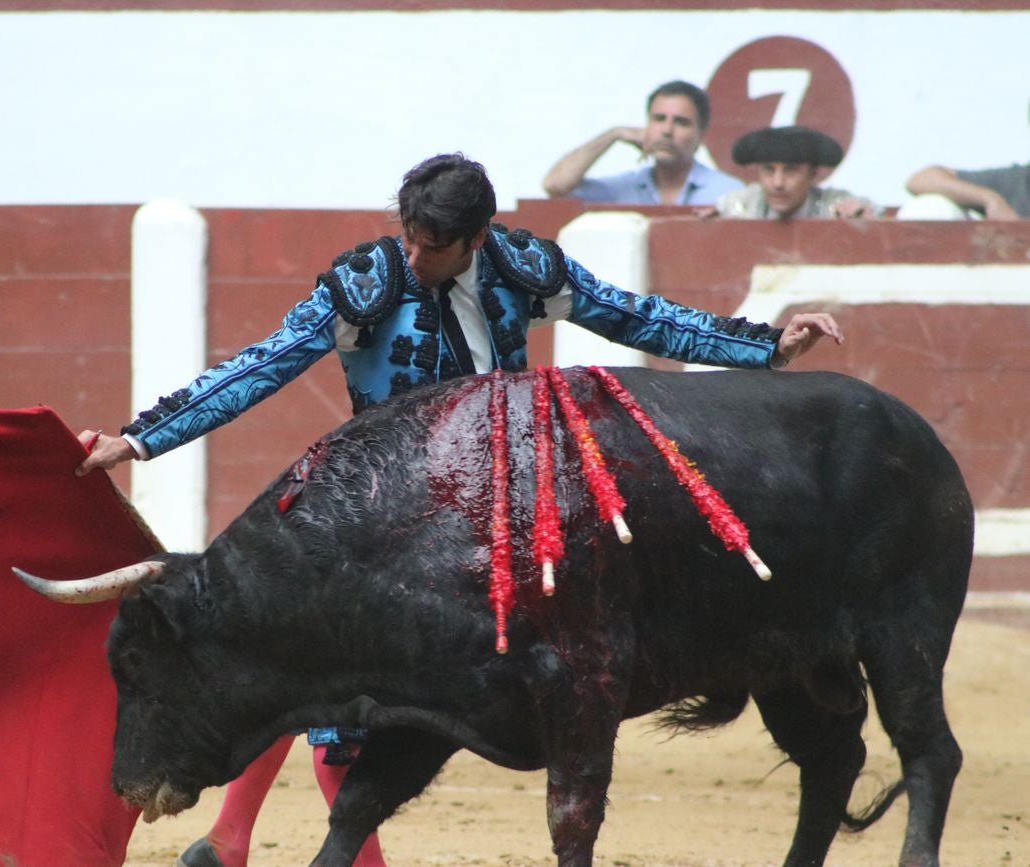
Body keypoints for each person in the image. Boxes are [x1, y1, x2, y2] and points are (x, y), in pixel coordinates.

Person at [77, 153, 844, 867]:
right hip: (379, 515)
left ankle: (239, 838)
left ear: (477, 238)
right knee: (291, 654)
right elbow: (263, 363)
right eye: (409, 237)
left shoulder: (518, 268)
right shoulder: (368, 284)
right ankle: (235, 834)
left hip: (497, 511)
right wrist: (141, 439)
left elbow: (636, 317)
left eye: (436, 246)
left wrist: (765, 347)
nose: (416, 257)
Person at [541, 80, 742, 205]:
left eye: (681, 122)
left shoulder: (729, 192)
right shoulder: (622, 188)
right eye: (659, 119)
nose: (667, 131)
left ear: (701, 135)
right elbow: (555, 185)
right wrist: (613, 135)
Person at [712, 125, 881, 220]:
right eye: (769, 170)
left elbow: (872, 212)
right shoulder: (739, 204)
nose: (778, 183)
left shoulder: (833, 205)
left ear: (813, 175)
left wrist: (860, 214)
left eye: (790, 171)